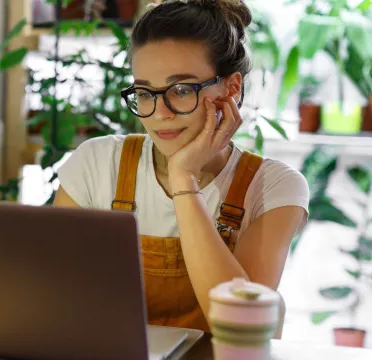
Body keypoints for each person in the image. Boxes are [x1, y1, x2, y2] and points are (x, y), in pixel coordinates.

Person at [54, 0, 310, 333]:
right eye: (145, 92)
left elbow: (242, 326)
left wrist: (184, 180)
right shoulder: (97, 163)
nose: (160, 113)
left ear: (231, 88)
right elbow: (55, 298)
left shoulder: (273, 187)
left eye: (181, 89)